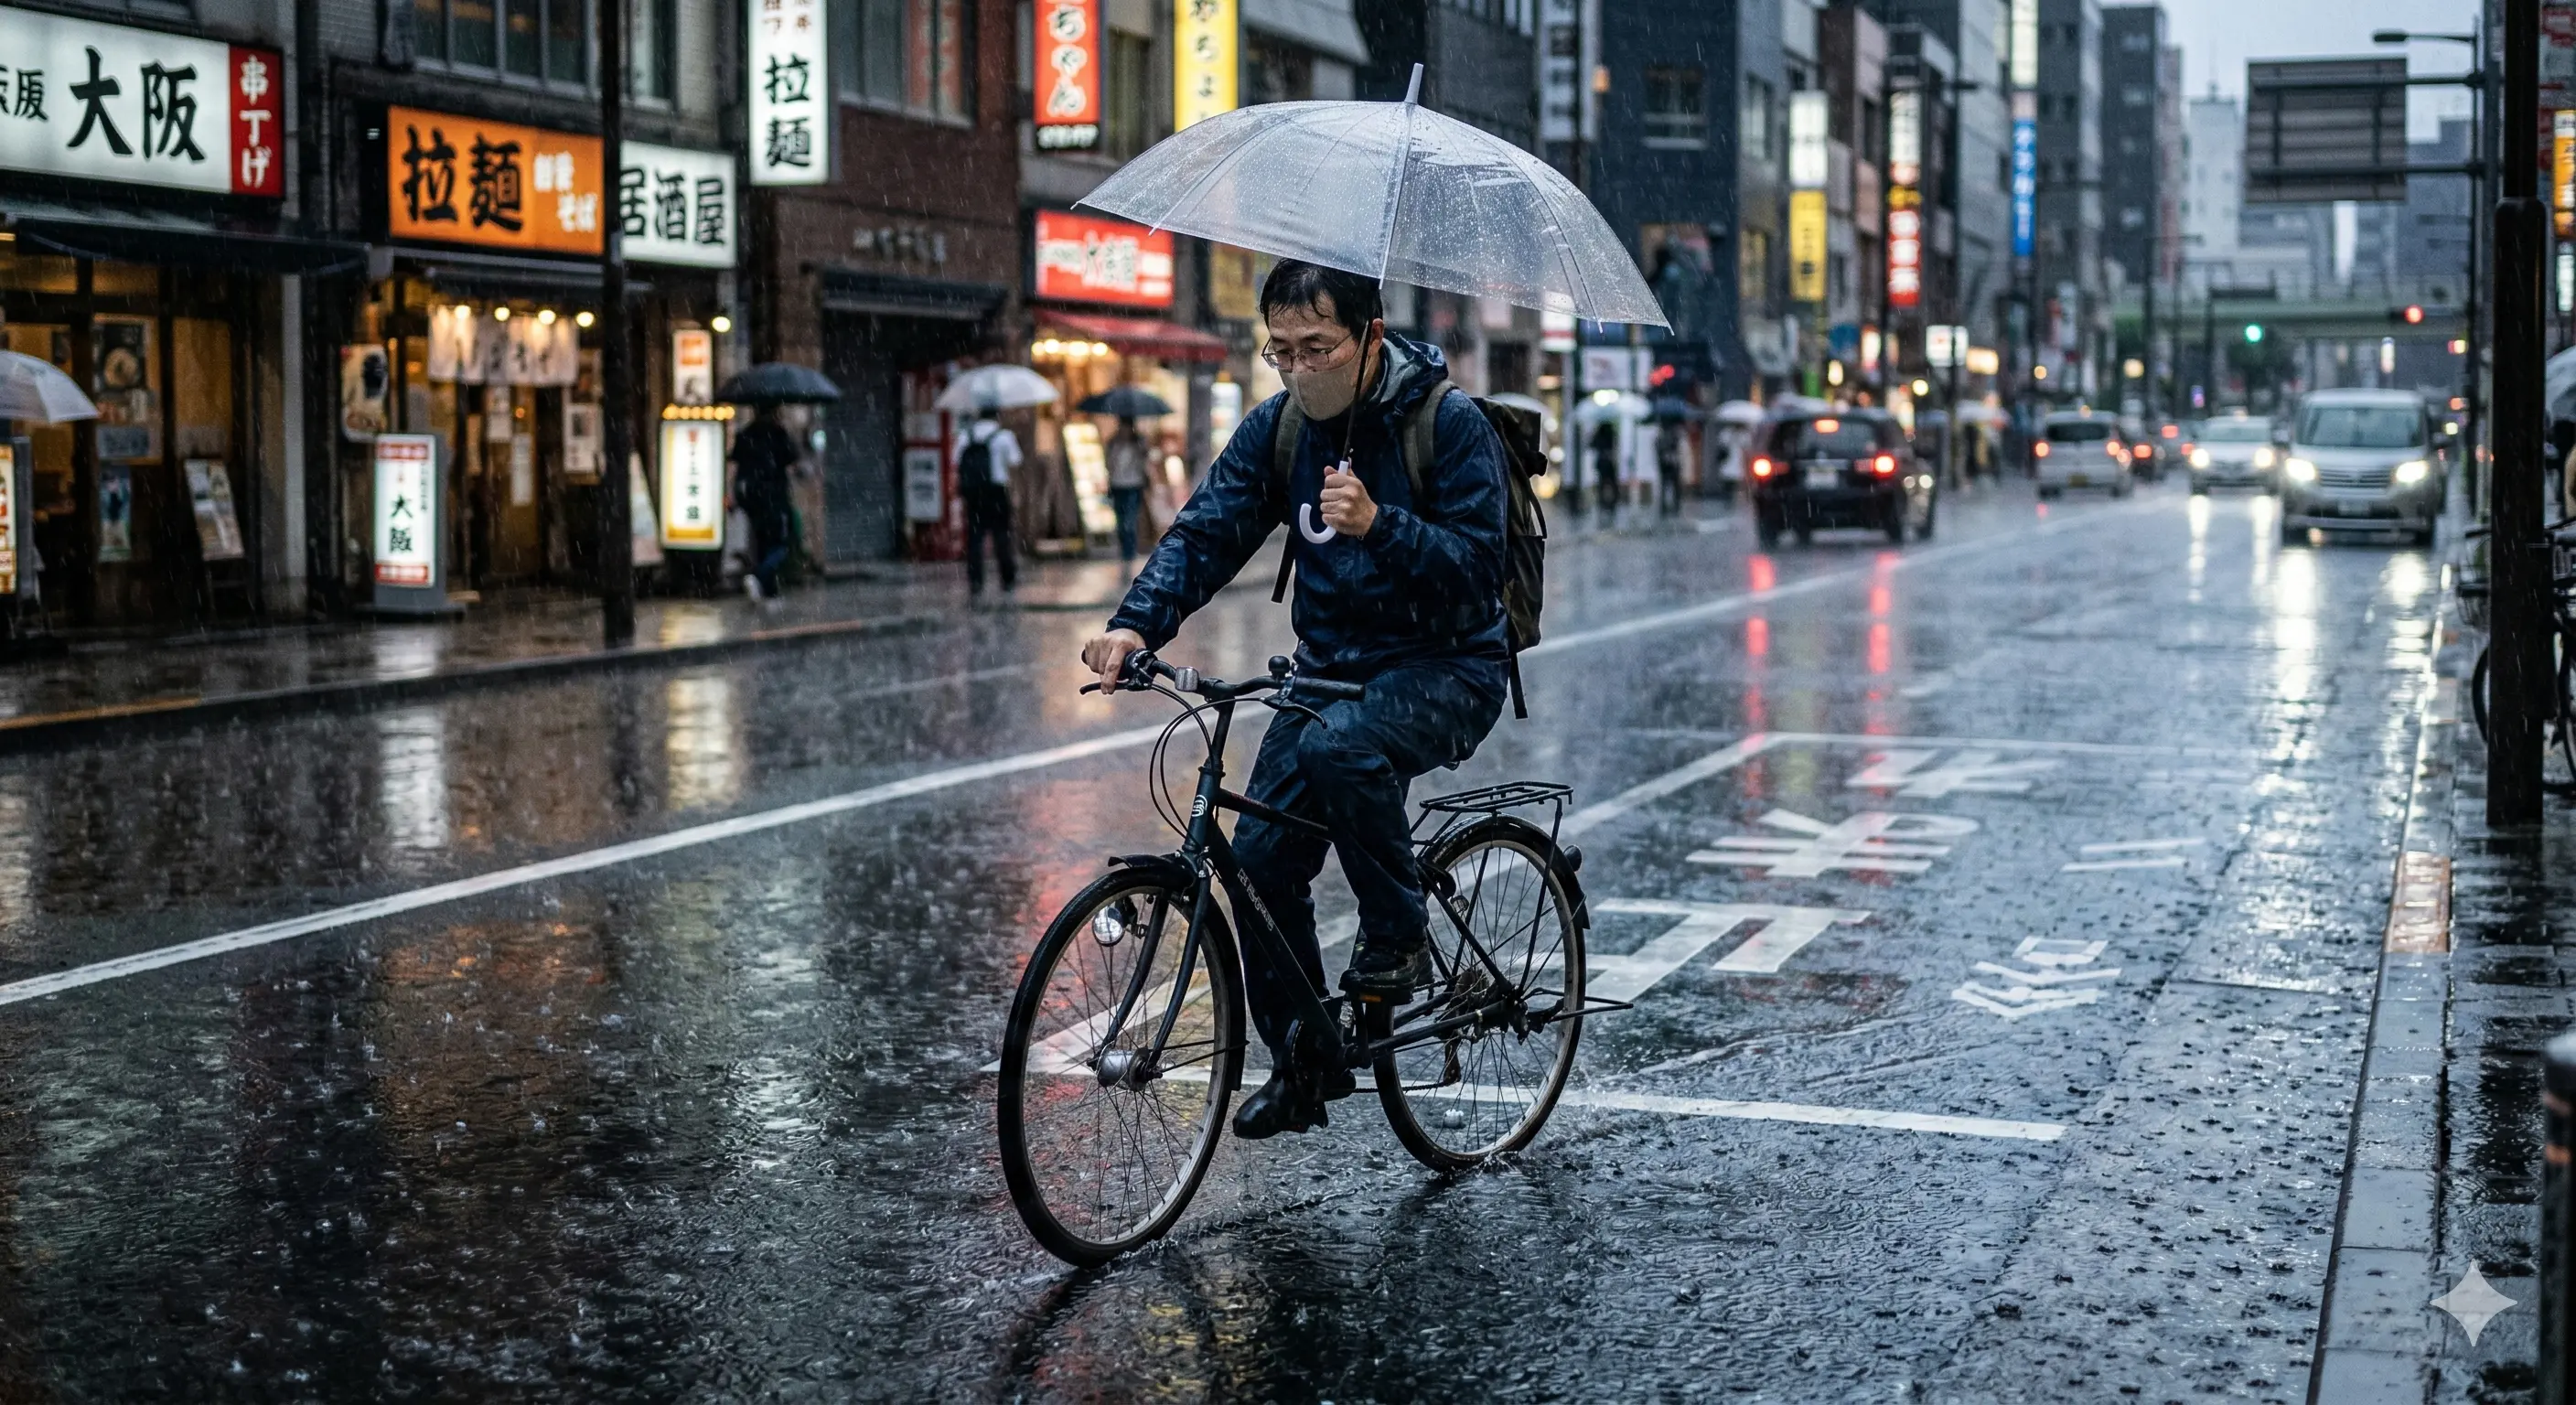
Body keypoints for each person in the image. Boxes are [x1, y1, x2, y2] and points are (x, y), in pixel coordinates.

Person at [1079, 260, 1511, 1140]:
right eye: (1282, 350)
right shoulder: (1279, 429)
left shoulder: (1448, 423)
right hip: (1329, 669)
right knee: (1263, 864)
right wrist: (1135, 626)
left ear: (1371, 339)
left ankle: (1398, 936)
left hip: (1449, 665)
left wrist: (1381, 525)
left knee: (1338, 747)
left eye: (1320, 348)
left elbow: (1480, 572)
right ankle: (1304, 1064)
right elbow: (1208, 531)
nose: (1300, 369)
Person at [729, 404, 799, 604]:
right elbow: (792, 461)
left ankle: (769, 590)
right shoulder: (778, 434)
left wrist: (734, 495)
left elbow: (735, 466)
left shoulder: (745, 435)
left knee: (762, 542)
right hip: (775, 497)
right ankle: (759, 577)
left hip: (752, 498)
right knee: (781, 545)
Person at [958, 403, 1022, 598]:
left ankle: (976, 580)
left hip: (974, 493)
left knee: (975, 538)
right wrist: (1016, 493)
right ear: (997, 416)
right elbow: (1015, 463)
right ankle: (1007, 579)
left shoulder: (965, 436)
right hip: (997, 491)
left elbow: (956, 462)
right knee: (1002, 536)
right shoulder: (1004, 436)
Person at [1104, 415, 1151, 562]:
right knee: (1120, 519)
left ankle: (1129, 551)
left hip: (1133, 484)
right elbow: (1109, 464)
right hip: (1117, 485)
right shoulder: (1113, 444)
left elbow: (1144, 463)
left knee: (1129, 520)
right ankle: (1124, 549)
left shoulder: (1138, 444)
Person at [1589, 417, 1620, 515]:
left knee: (1602, 483)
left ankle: (1603, 502)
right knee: (1612, 483)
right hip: (1609, 461)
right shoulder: (1611, 433)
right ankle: (1611, 503)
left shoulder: (1599, 434)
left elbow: (1592, 445)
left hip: (1602, 462)